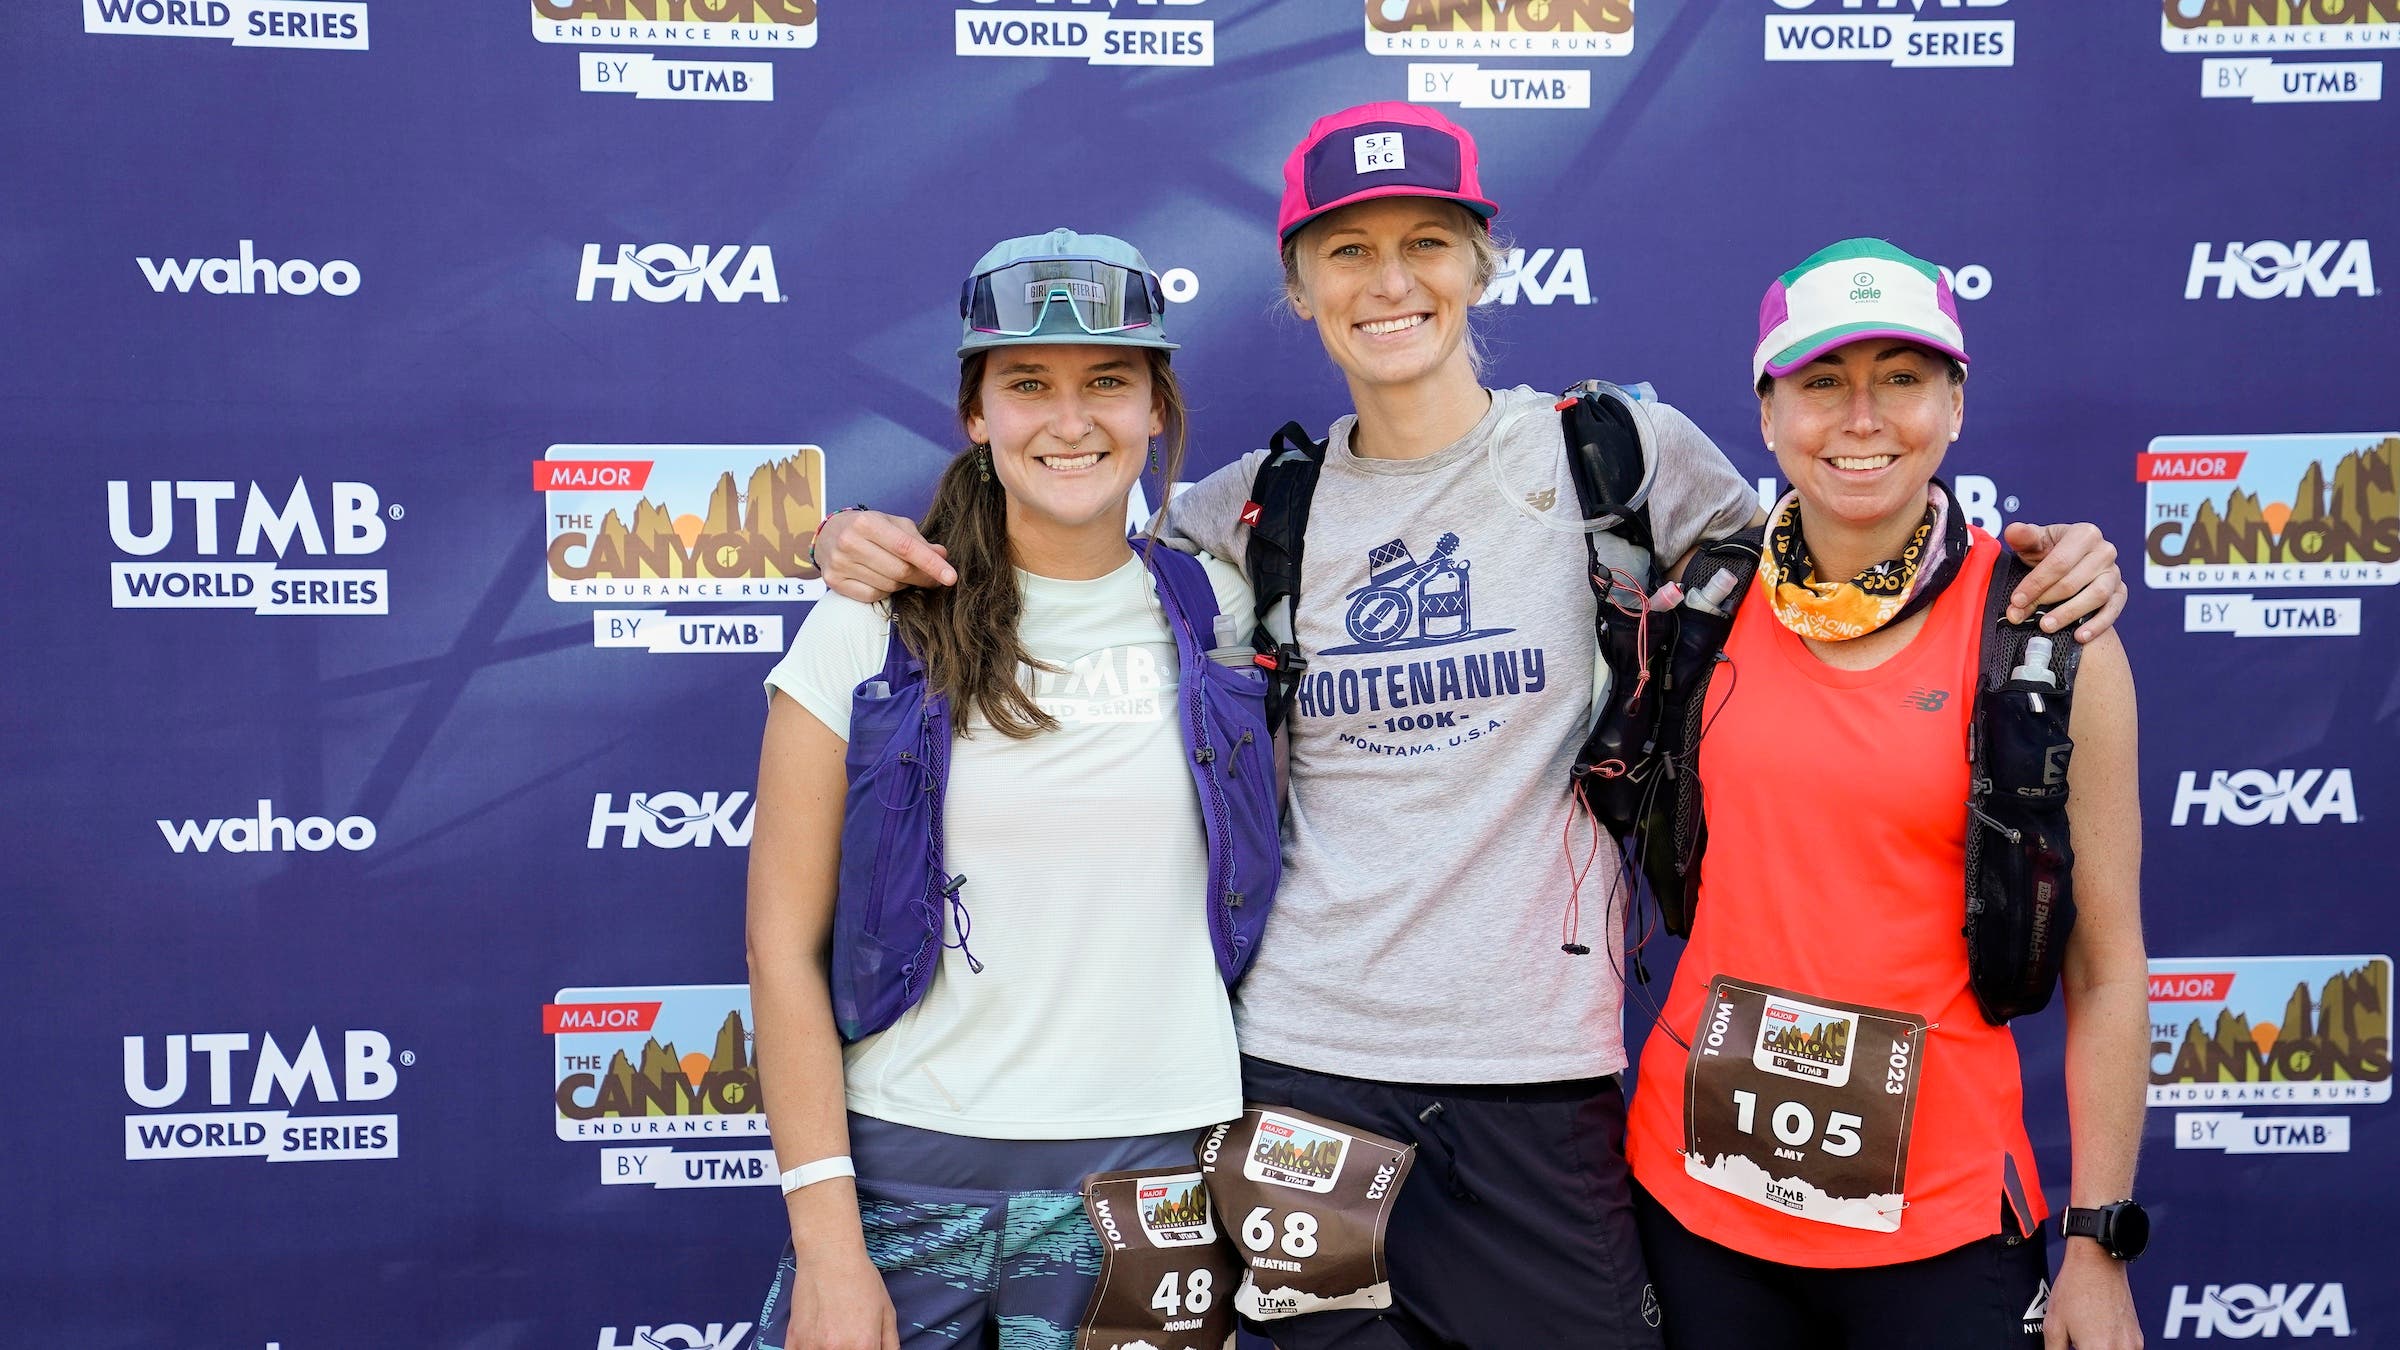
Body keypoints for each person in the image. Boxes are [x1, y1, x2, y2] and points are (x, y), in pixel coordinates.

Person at [811, 107, 2130, 1349]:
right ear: (1301, 284)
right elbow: (1063, 541)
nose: (1390, 281)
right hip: (1301, 1081)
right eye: (1349, 251)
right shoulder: (1245, 509)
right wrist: (861, 541)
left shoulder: (1618, 458)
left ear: (1483, 263)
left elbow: (1835, 556)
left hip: (1538, 1079)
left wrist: (2035, 566)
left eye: (1425, 244)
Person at [745, 228, 1279, 1350]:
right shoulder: (870, 620)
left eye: (1109, 383)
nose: (1071, 420)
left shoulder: (1217, 609)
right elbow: (780, 950)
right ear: (976, 414)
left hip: (1155, 1192)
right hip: (906, 1182)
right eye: (1028, 384)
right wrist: (832, 1251)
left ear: (1156, 408)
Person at [1621, 239, 2149, 1350]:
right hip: (1696, 1209)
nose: (1862, 418)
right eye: (1822, 383)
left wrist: (2096, 1244)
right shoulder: (1701, 608)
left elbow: (2107, 970)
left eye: (1902, 379)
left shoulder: (2049, 640)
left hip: (1944, 1228)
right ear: (1767, 415)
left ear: (1954, 406)